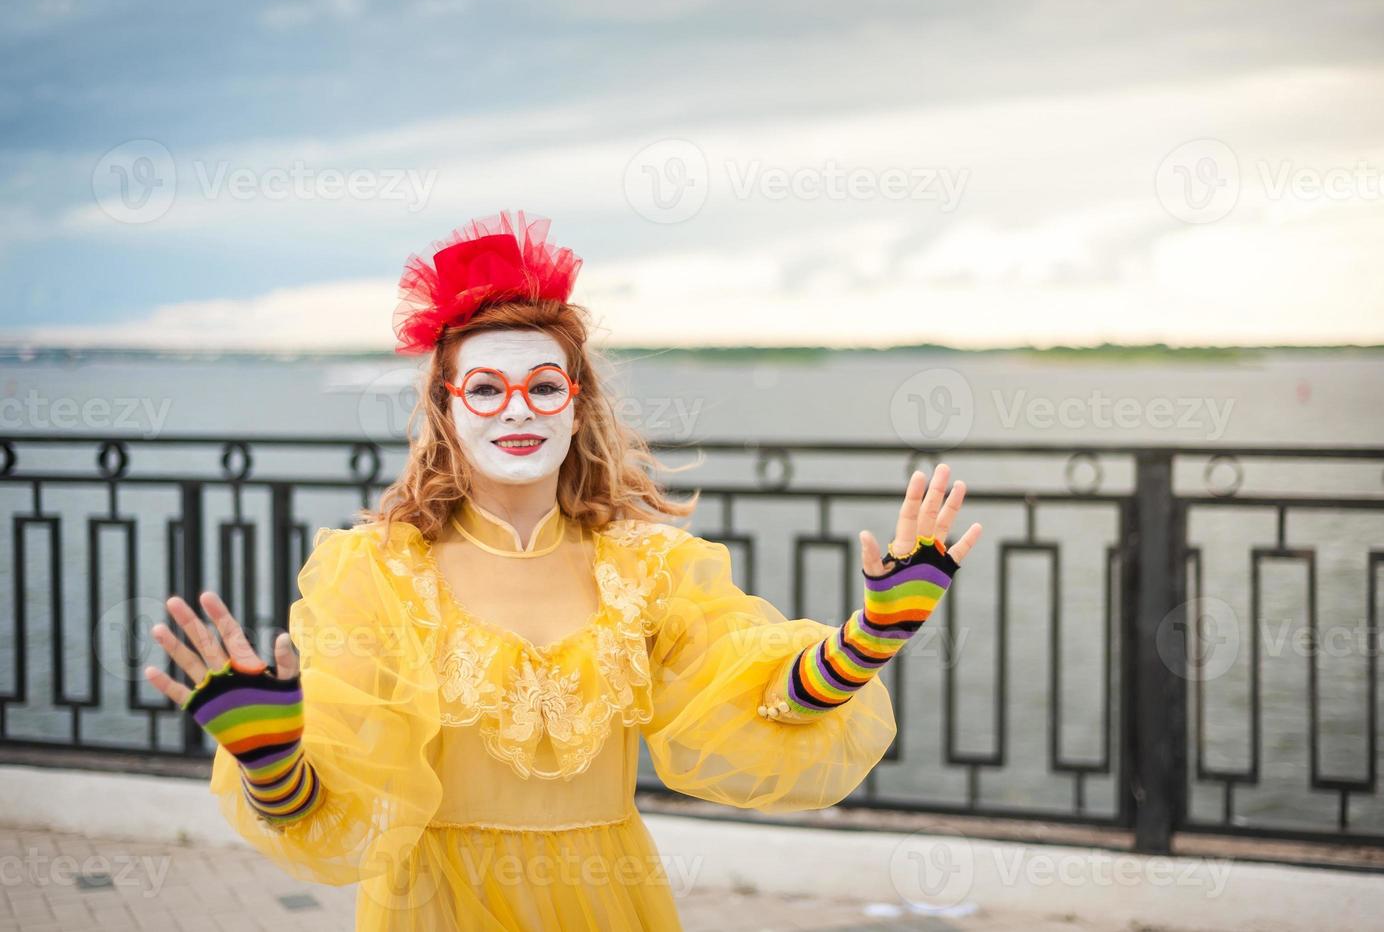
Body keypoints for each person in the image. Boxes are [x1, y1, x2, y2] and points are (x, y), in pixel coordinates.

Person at [141, 210, 983, 931]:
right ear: (445, 407)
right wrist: (267, 759)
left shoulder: (647, 567)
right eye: (485, 388)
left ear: (577, 403)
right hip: (434, 904)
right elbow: (332, 802)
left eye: (544, 386)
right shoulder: (378, 570)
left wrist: (871, 637)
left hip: (607, 898)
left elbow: (758, 703)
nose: (517, 408)